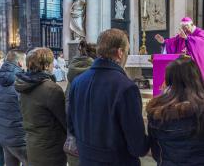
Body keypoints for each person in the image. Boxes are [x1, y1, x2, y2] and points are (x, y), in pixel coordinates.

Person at [68, 29, 150, 166]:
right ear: (120, 53)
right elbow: (138, 147)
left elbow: (71, 127)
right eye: (127, 52)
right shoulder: (126, 88)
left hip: (85, 161)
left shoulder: (77, 82)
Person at [147, 56, 204, 165]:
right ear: (197, 79)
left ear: (168, 81)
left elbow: (156, 152)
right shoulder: (200, 109)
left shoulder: (156, 111)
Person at [15, 48, 67, 166]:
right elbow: (64, 120)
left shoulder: (23, 84)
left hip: (32, 142)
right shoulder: (51, 89)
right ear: (47, 65)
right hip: (50, 147)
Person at [64, 40, 96, 166]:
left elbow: (67, 108)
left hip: (73, 143)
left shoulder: (73, 77)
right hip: (91, 145)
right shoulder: (95, 77)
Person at [0, 50, 28, 166]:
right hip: (19, 137)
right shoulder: (20, 82)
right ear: (20, 63)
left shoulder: (0, 81)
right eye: (25, 61)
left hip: (5, 134)